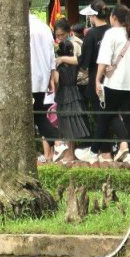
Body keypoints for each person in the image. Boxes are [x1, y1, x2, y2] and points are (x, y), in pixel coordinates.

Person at [95, 5, 130, 164]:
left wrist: (97, 79)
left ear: (113, 18)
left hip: (114, 82)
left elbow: (103, 59)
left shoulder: (111, 33)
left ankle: (94, 151)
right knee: (129, 118)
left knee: (105, 116)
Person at [75, 2, 110, 160]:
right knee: (111, 115)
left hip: (97, 78)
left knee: (100, 116)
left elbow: (85, 61)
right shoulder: (113, 31)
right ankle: (108, 150)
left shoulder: (91, 34)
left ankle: (102, 151)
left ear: (92, 16)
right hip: (114, 77)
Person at [52, 21, 89, 157]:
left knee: (71, 120)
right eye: (57, 35)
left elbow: (79, 61)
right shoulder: (65, 44)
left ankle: (72, 153)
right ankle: (73, 152)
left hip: (79, 84)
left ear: (69, 32)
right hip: (74, 86)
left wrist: (62, 59)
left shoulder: (75, 44)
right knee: (73, 119)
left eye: (62, 35)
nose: (60, 37)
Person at [28, 9, 58, 149]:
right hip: (41, 78)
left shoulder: (19, 25)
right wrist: (51, 75)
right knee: (38, 113)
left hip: (28, 78)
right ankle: (58, 142)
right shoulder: (44, 27)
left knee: (36, 115)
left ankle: (58, 142)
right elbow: (51, 54)